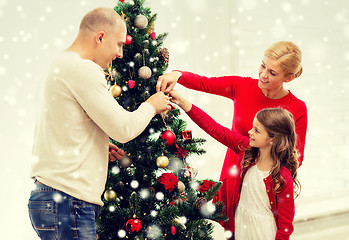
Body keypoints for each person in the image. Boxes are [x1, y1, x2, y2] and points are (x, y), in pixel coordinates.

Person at [28, 7, 171, 240]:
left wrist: (94, 146)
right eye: (118, 45)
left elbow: (62, 126)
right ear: (100, 37)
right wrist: (152, 105)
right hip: (68, 201)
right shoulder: (82, 69)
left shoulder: (61, 64)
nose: (121, 54)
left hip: (55, 197)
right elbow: (124, 129)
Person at [156, 41, 307, 233]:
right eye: (263, 65)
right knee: (232, 230)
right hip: (233, 175)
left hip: (265, 183)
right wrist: (178, 74)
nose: (263, 74)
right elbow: (206, 86)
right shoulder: (242, 86)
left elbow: (296, 156)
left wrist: (267, 171)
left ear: (290, 77)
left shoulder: (297, 108)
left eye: (272, 73)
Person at [169, 90, 300, 240]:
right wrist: (183, 103)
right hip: (240, 225)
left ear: (272, 139)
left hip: (263, 232)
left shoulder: (282, 176)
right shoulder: (246, 149)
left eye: (256, 130)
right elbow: (215, 129)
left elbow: (285, 226)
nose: (250, 132)